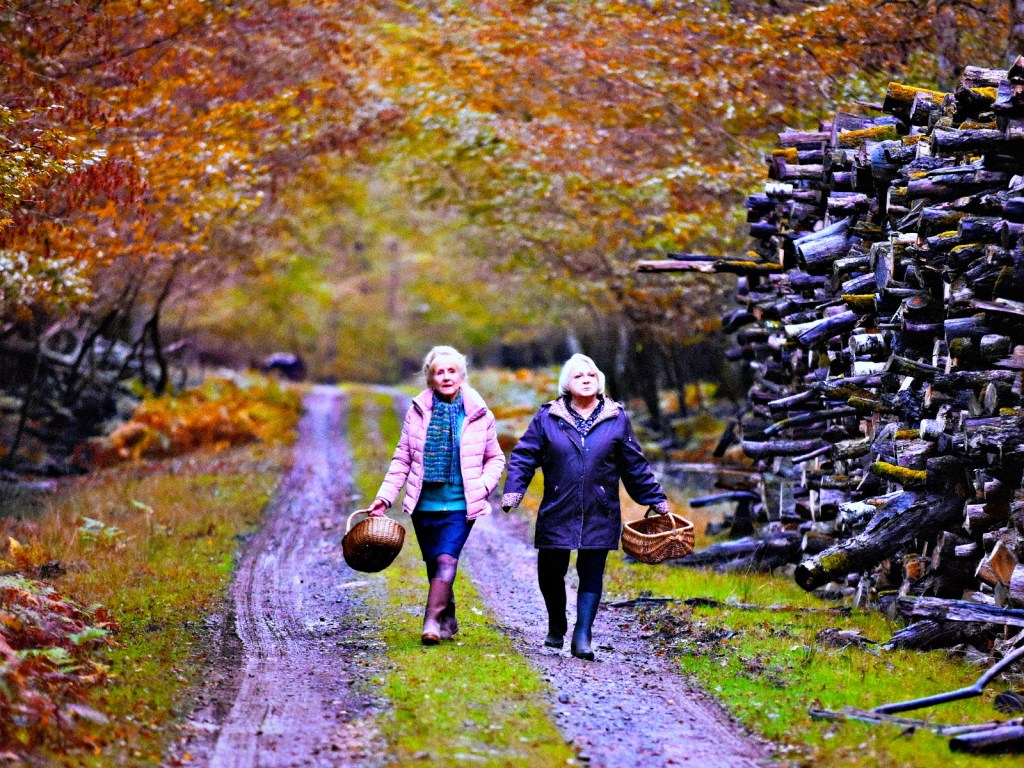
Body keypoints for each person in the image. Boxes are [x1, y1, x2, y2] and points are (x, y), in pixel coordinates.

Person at [501, 353, 669, 660]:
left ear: (599, 380)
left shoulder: (616, 417)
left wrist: (655, 498)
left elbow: (634, 464)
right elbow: (525, 455)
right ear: (567, 383)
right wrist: (514, 490)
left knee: (592, 570)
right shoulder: (548, 417)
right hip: (558, 506)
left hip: (600, 508)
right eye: (579, 375)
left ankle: (583, 634)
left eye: (591, 374)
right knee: (550, 572)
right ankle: (557, 622)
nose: (586, 379)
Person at [368, 346, 505, 645]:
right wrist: (385, 497)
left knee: (447, 559)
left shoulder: (479, 414)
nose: (446, 377)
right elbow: (402, 459)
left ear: (462, 376)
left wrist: (481, 487)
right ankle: (448, 615)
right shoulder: (417, 413)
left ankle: (430, 621)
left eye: (451, 371)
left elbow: (495, 458)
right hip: (424, 504)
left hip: (460, 503)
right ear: (430, 379)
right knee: (434, 563)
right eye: (439, 372)